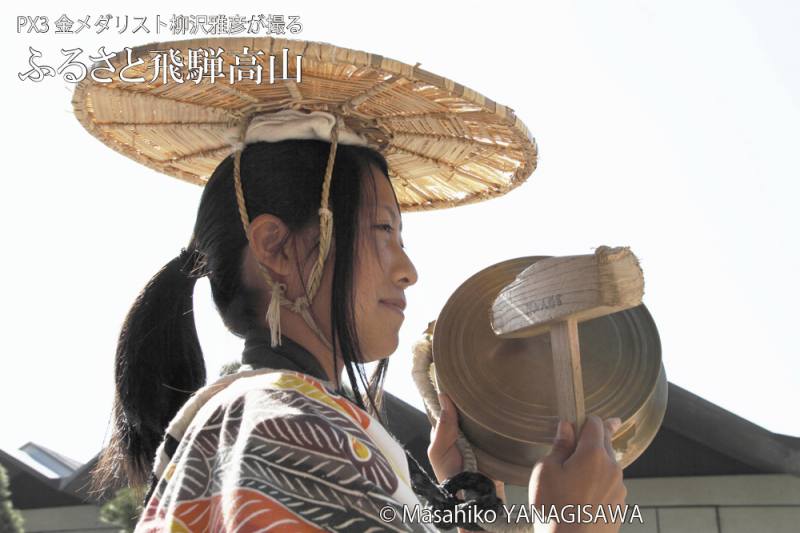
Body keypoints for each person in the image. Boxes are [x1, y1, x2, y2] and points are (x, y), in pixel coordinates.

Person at [91, 112, 626, 532]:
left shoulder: (257, 418)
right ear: (276, 247)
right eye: (383, 232)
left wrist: (471, 491)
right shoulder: (287, 427)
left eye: (403, 240)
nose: (408, 270)